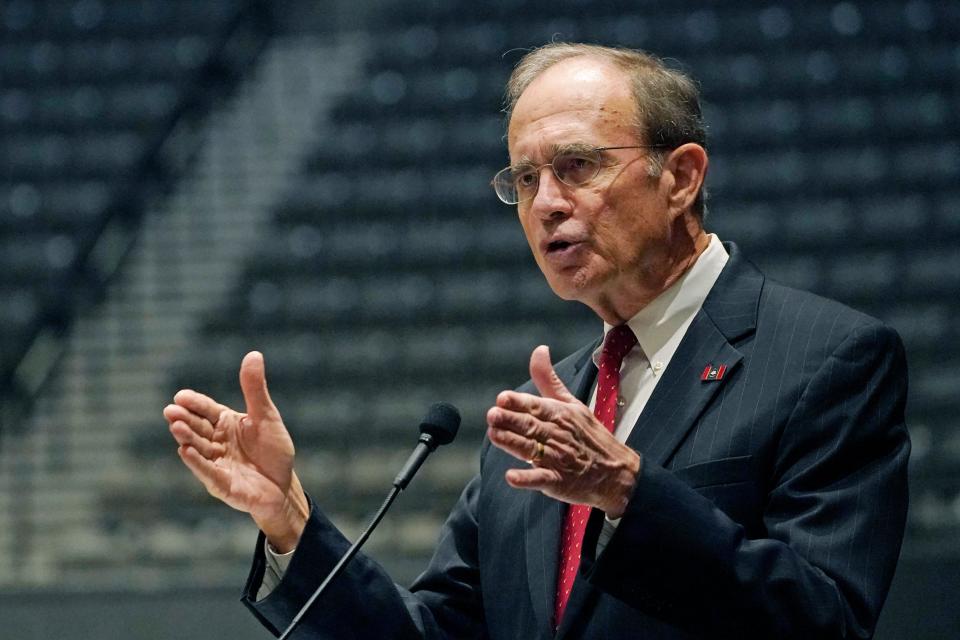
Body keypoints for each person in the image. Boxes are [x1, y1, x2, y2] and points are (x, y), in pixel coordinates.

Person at [164, 43, 910, 639]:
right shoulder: (532, 424)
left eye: (577, 166)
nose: (547, 203)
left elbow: (827, 620)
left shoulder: (828, 359)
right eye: (524, 179)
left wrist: (628, 492)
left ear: (680, 176)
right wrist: (288, 519)